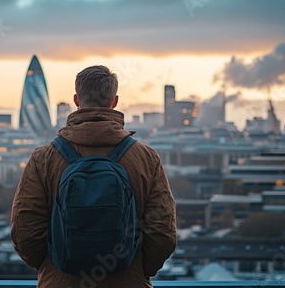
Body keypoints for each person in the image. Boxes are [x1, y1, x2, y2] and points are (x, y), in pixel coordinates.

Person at [11, 65, 177, 288]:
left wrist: (52, 268)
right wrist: (137, 269)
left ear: (77, 100)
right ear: (114, 101)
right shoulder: (146, 158)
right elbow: (162, 232)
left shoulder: (43, 158)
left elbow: (25, 232)